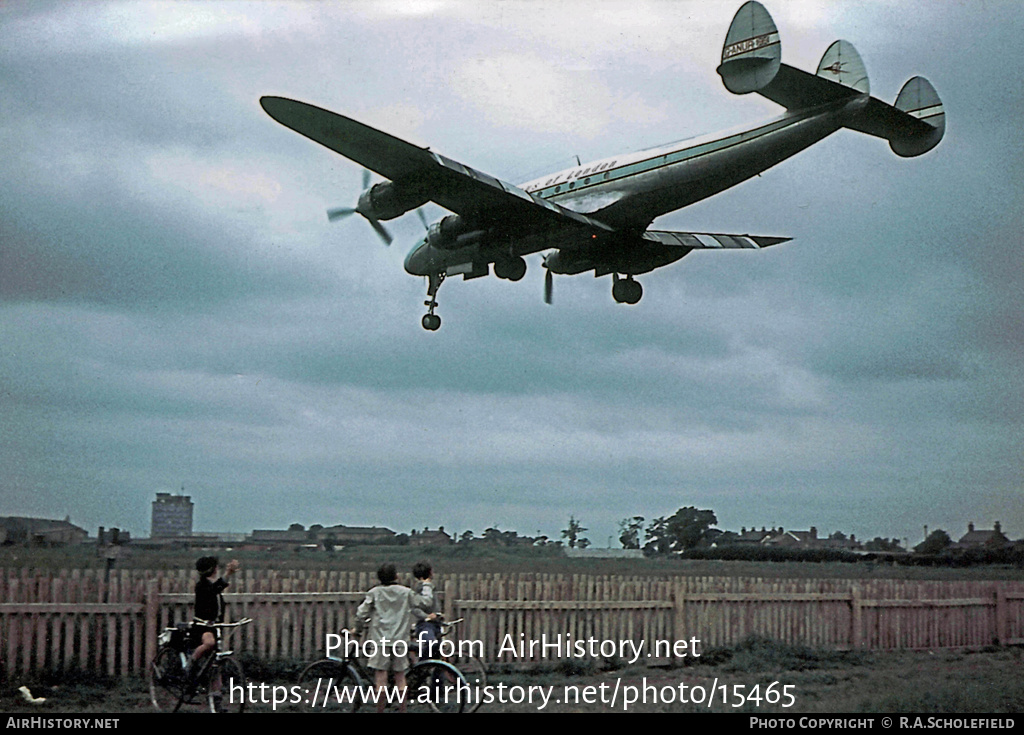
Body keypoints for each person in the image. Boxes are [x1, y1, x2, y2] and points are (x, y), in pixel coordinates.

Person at [355, 562, 434, 712]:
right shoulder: (406, 592)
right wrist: (427, 585)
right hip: (400, 640)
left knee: (381, 677)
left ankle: (380, 710)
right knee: (400, 676)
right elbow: (426, 603)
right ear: (396, 576)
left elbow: (361, 614)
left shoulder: (374, 593)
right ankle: (402, 709)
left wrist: (357, 630)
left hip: (380, 641)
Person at [190, 556, 239, 710]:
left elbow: (217, 590)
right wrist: (228, 574)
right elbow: (214, 590)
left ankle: (217, 703)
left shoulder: (212, 586)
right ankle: (191, 664)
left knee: (215, 666)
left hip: (213, 626)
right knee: (209, 643)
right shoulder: (202, 586)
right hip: (202, 626)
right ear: (213, 569)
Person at [411, 561, 441, 659]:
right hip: (426, 624)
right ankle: (420, 669)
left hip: (434, 623)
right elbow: (419, 606)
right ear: (430, 572)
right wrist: (427, 616)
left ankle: (433, 672)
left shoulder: (424, 587)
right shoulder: (425, 587)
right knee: (431, 645)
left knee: (436, 653)